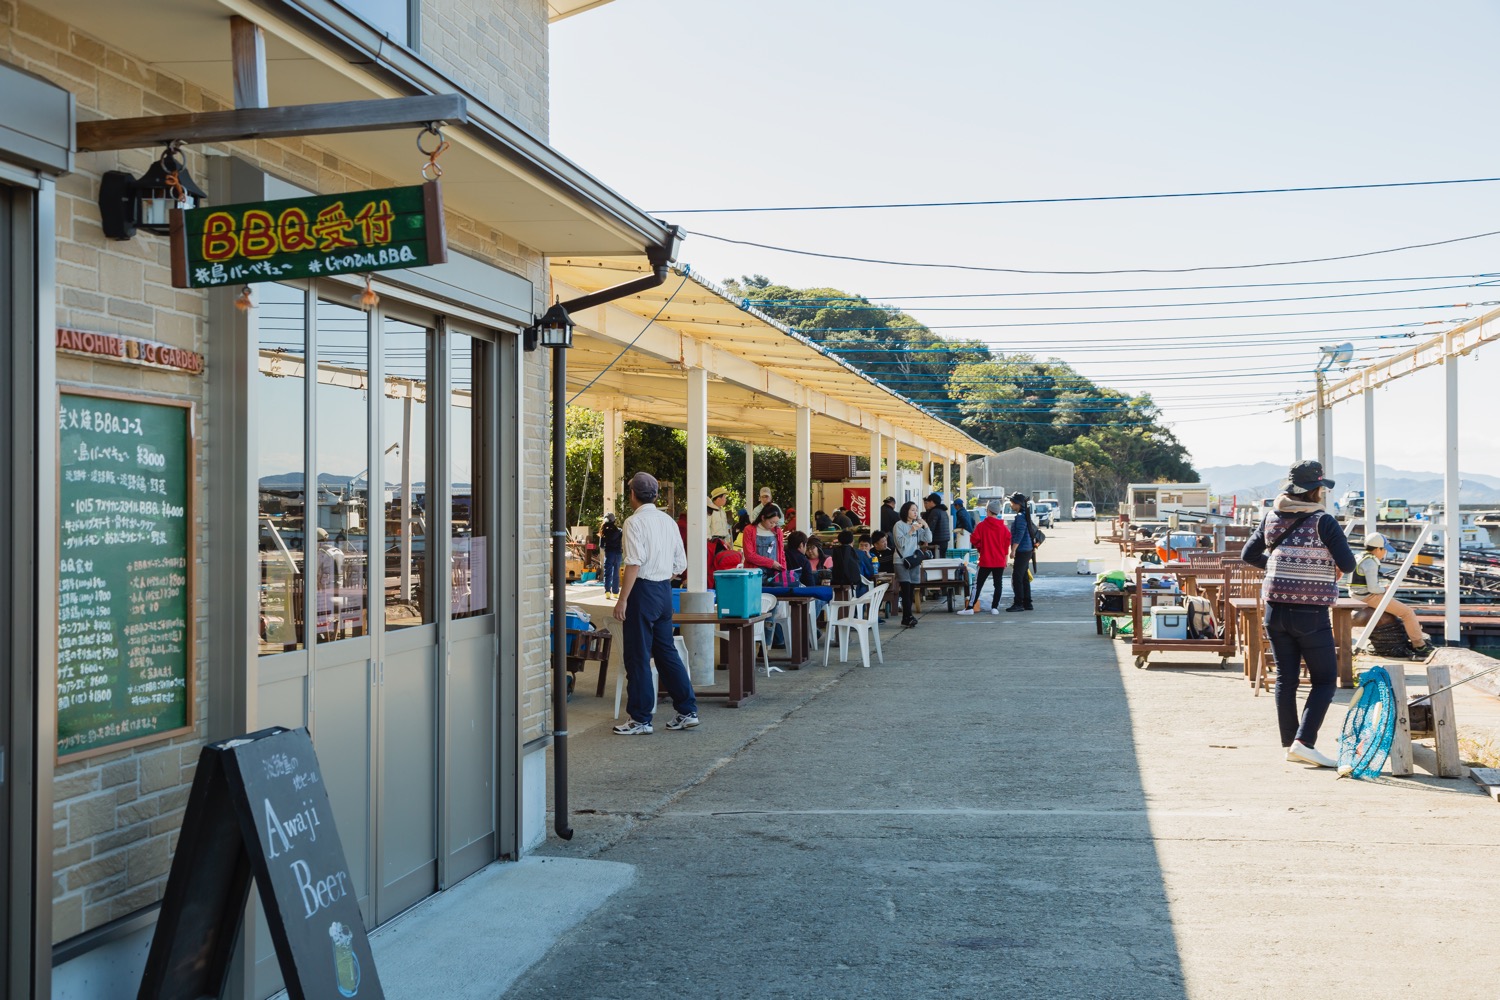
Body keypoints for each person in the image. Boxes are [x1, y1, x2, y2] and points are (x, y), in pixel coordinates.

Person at [1241, 460, 1358, 768]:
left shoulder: (1271, 517)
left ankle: (1290, 744)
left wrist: (1280, 567)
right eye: (1322, 487)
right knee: (1324, 681)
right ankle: (1304, 743)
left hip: (1275, 610)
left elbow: (1248, 554)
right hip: (1310, 612)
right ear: (1315, 490)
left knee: (1286, 678)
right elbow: (1348, 565)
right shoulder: (1324, 521)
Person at [612, 472, 699, 736]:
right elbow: (680, 565)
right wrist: (663, 578)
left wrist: (622, 599)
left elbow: (634, 563)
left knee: (637, 656)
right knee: (666, 653)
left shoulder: (633, 522)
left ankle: (640, 719)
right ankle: (687, 710)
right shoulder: (668, 521)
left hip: (642, 591)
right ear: (657, 495)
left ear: (632, 495)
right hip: (663, 592)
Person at [1349, 531, 1435, 658]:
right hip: (1368, 596)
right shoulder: (1371, 562)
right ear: (1378, 549)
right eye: (1384, 550)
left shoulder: (1359, 557)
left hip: (1356, 594)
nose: (1385, 553)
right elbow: (1373, 588)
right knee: (1407, 613)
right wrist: (1385, 589)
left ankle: (1417, 643)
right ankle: (1419, 646)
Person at [960, 499, 1012, 615]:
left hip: (985, 560)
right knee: (998, 584)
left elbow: (974, 539)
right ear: (997, 512)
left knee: (977, 584)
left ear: (988, 510)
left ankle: (970, 608)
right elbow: (1006, 545)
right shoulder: (1004, 528)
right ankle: (995, 608)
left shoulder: (981, 526)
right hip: (999, 561)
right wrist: (1005, 560)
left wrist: (981, 548)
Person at [892, 500, 932, 628]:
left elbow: (928, 539)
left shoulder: (916, 525)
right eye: (912, 510)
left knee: (911, 591)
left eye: (916, 510)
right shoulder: (899, 525)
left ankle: (906, 617)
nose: (915, 512)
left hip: (913, 561)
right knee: (906, 589)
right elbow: (900, 543)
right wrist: (910, 531)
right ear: (906, 511)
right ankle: (908, 616)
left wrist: (925, 526)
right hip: (901, 561)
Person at [1006, 492, 1037, 612]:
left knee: (1017, 577)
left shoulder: (1020, 517)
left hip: (1022, 550)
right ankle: (1027, 603)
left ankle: (1018, 603)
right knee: (1023, 576)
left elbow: (1019, 534)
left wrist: (1013, 550)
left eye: (1012, 503)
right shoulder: (1025, 515)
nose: (1011, 505)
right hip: (1027, 549)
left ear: (1018, 504)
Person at [740, 503, 787, 575]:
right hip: (754, 574)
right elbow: (749, 556)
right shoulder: (749, 530)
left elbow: (782, 554)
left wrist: (784, 572)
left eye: (776, 523)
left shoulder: (778, 532)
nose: (773, 525)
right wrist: (771, 563)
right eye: (771, 522)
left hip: (775, 574)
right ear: (763, 518)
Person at [600, 511, 624, 599]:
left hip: (609, 554)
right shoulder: (620, 531)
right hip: (618, 554)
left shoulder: (603, 532)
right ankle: (616, 593)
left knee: (608, 573)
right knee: (616, 573)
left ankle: (607, 592)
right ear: (614, 521)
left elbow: (601, 546)